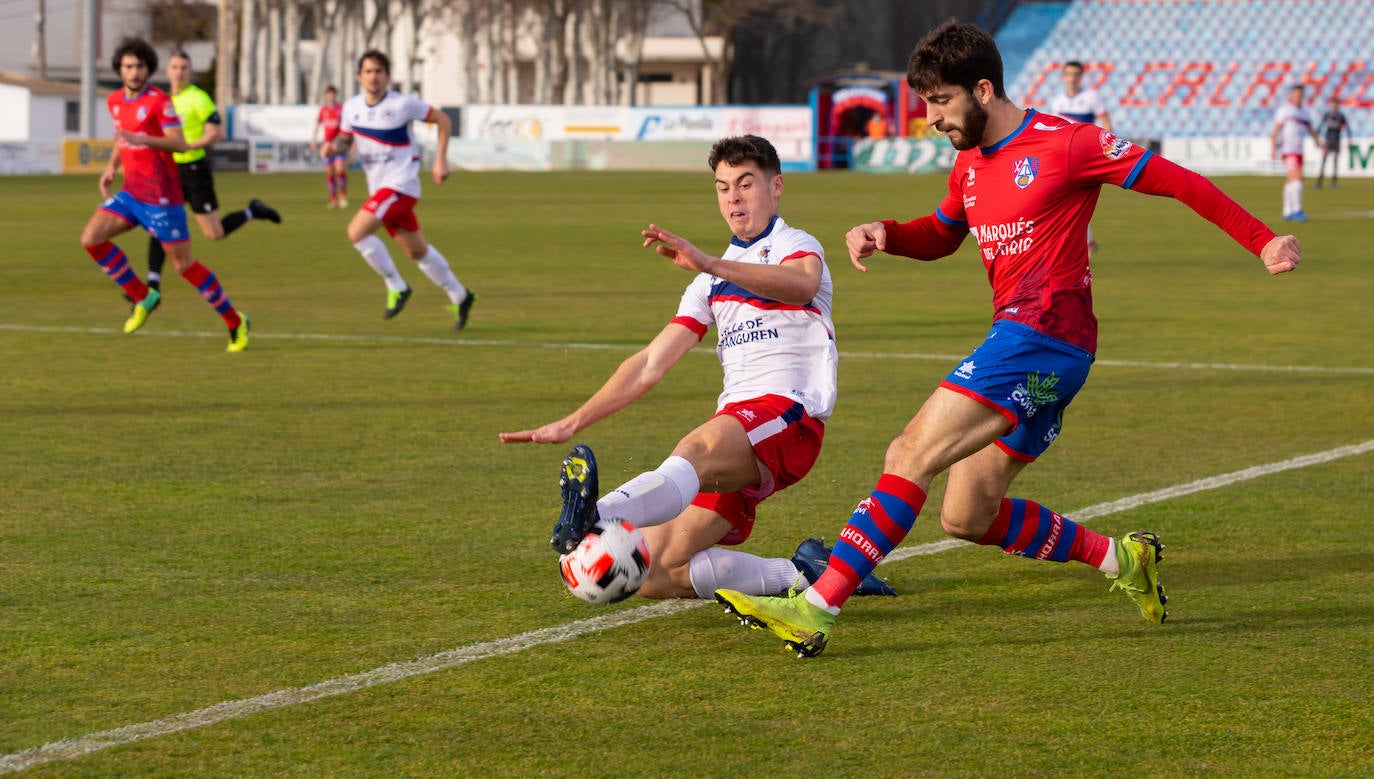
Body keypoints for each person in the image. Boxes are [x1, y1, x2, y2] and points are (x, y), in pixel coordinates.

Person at [715, 20, 1302, 658]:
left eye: (940, 102)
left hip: (1042, 334)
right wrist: (887, 231)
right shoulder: (969, 163)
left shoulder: (1067, 143)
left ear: (984, 89)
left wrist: (1262, 238)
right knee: (966, 516)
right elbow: (942, 233)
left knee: (909, 451)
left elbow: (1177, 180)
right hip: (1036, 343)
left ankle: (816, 607)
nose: (932, 118)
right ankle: (1123, 559)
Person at [499, 135, 894, 601]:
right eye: (723, 187)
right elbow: (650, 363)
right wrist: (573, 420)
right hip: (738, 433)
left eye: (745, 184)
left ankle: (594, 514)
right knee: (653, 572)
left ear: (777, 187)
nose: (734, 197)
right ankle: (808, 574)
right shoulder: (707, 282)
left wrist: (711, 262)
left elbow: (802, 286)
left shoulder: (795, 245)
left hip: (787, 415)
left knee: (694, 447)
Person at [81, 37, 250, 352]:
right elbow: (122, 138)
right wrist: (111, 167)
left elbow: (180, 143)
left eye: (140, 66)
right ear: (120, 69)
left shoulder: (161, 102)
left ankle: (235, 322)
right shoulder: (115, 100)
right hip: (132, 191)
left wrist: (143, 138)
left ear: (148, 69)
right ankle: (143, 295)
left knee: (184, 266)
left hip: (162, 196)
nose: (134, 72)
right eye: (129, 66)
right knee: (91, 239)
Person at [328, 50, 475, 329]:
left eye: (379, 71)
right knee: (417, 251)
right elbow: (346, 141)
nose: (374, 77)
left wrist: (440, 160)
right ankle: (461, 295)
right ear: (360, 77)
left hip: (402, 183)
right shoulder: (351, 108)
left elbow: (443, 120)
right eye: (368, 71)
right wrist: (334, 147)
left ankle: (396, 285)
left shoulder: (403, 104)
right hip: (380, 188)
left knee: (356, 232)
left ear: (387, 76)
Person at [139, 51, 280, 298]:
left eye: (184, 67)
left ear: (189, 71)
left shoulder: (198, 98)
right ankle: (152, 284)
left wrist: (188, 145)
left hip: (194, 170)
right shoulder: (161, 100)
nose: (179, 72)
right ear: (167, 71)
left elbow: (216, 133)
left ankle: (252, 211)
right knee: (160, 224)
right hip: (169, 172)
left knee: (214, 234)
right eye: (174, 67)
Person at [1048, 60, 1112, 254]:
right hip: (1064, 155)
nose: (1072, 78)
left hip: (1085, 154)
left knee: (1075, 199)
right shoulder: (1058, 101)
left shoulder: (1091, 97)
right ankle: (1086, 242)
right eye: (1069, 74)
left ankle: (1080, 243)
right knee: (1069, 200)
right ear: (1064, 76)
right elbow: (1055, 129)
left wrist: (1106, 148)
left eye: (1076, 74)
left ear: (1081, 76)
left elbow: (1106, 122)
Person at [1271, 84, 1323, 221]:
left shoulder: (1305, 111)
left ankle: (1287, 211)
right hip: (1288, 150)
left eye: (1300, 94)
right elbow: (1275, 130)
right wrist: (1273, 147)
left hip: (1299, 150)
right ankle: (1297, 210)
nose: (1297, 96)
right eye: (1295, 94)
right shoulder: (1285, 110)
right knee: (1298, 176)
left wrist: (1318, 142)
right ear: (1291, 95)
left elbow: (1311, 129)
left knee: (1290, 180)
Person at [311, 86, 350, 209]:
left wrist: (344, 142)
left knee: (340, 170)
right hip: (326, 146)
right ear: (326, 95)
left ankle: (342, 196)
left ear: (335, 95)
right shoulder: (323, 110)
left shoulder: (341, 109)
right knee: (330, 173)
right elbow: (318, 124)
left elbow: (346, 126)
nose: (331, 96)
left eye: (333, 94)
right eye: (329, 94)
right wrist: (313, 139)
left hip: (339, 145)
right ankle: (333, 199)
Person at [1316, 95, 1349, 189]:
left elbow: (1347, 128)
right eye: (1333, 104)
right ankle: (1319, 181)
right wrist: (1317, 137)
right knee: (1324, 161)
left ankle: (1334, 182)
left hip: (1336, 139)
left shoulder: (1341, 116)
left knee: (1335, 161)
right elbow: (1320, 126)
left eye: (1336, 104)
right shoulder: (1327, 115)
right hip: (1328, 139)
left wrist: (1349, 140)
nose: (1334, 106)